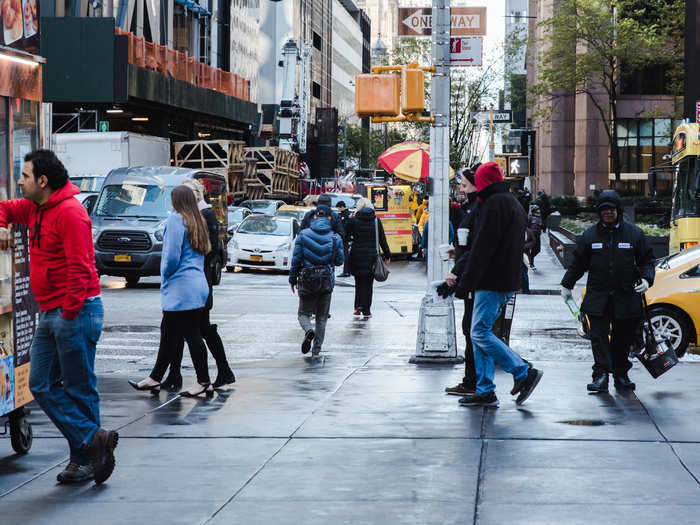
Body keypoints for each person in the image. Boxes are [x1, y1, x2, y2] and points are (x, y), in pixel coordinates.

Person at [0, 149, 115, 484]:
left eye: (24, 176)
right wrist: (3, 226)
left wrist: (68, 314)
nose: (19, 182)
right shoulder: (35, 207)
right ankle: (94, 442)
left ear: (42, 181)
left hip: (74, 311)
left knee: (79, 387)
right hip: (52, 311)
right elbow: (3, 207)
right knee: (40, 384)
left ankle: (84, 459)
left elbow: (81, 269)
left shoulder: (70, 213)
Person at [455, 162, 543, 407]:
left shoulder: (492, 205)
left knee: (479, 333)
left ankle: (523, 371)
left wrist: (465, 282)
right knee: (481, 332)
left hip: (490, 280)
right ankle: (485, 389)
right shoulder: (511, 202)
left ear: (483, 183)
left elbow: (482, 249)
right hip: (505, 278)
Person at [560, 189, 655, 392]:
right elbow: (578, 264)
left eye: (611, 209)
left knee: (623, 338)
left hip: (626, 296)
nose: (608, 213)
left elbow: (647, 260)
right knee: (599, 338)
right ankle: (601, 375)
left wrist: (647, 279)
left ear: (618, 210)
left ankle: (621, 374)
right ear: (599, 212)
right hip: (598, 296)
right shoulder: (590, 236)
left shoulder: (634, 234)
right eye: (604, 210)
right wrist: (566, 284)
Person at [129, 185, 213, 398]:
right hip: (196, 284)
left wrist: (164, 275)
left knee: (191, 334)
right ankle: (155, 378)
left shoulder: (176, 219)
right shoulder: (197, 220)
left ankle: (203, 381)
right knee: (169, 330)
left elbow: (171, 256)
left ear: (178, 201)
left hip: (181, 287)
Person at [161, 179, 236, 391]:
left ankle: (220, 371)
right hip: (191, 283)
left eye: (193, 189)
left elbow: (207, 251)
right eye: (187, 190)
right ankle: (173, 374)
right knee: (178, 330)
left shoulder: (205, 215)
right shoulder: (186, 216)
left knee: (200, 330)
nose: (190, 193)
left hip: (197, 283)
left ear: (199, 193)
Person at [289, 205, 344, 356]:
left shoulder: (303, 235)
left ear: (314, 218)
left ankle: (308, 330)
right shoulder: (335, 237)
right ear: (329, 219)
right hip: (326, 282)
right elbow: (340, 261)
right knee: (322, 317)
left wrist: (292, 279)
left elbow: (296, 259)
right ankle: (316, 350)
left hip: (307, 280)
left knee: (303, 314)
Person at [444, 168, 480, 396]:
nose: (461, 188)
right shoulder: (471, 208)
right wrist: (456, 253)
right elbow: (468, 245)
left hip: (474, 280)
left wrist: (456, 269)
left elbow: (474, 247)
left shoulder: (477, 209)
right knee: (473, 331)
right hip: (471, 278)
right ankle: (472, 381)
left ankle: (521, 370)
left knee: (476, 332)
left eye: (464, 184)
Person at [344, 198, 390, 318]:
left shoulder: (353, 221)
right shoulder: (376, 221)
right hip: (371, 257)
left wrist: (349, 221)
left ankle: (358, 306)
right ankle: (366, 311)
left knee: (358, 282)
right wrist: (387, 255)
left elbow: (345, 235)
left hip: (356, 256)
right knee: (368, 284)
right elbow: (382, 240)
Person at [336, 200, 352, 277]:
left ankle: (346, 272)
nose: (338, 210)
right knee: (346, 255)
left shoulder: (346, 215)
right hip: (345, 238)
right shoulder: (342, 214)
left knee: (346, 255)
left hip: (346, 238)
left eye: (338, 208)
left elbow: (345, 227)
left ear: (342, 207)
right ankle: (347, 271)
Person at [526, 205, 543, 270]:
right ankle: (531, 263)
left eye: (539, 209)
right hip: (532, 236)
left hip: (538, 236)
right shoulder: (530, 217)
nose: (539, 210)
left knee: (538, 250)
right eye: (537, 209)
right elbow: (527, 226)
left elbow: (540, 226)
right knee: (532, 249)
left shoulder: (539, 217)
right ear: (534, 210)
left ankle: (530, 259)